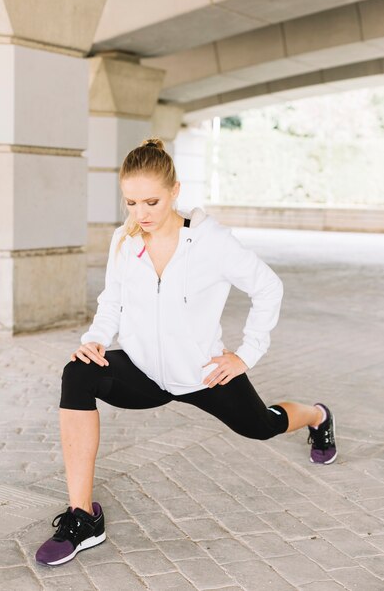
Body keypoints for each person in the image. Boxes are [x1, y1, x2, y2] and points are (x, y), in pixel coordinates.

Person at [35, 138, 337, 567]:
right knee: (77, 372)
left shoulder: (211, 241)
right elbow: (112, 299)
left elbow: (268, 287)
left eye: (152, 201)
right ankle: (84, 518)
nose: (141, 214)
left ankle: (318, 416)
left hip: (201, 375)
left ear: (176, 190)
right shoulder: (125, 238)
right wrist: (97, 336)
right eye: (131, 202)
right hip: (142, 372)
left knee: (262, 426)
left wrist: (246, 354)